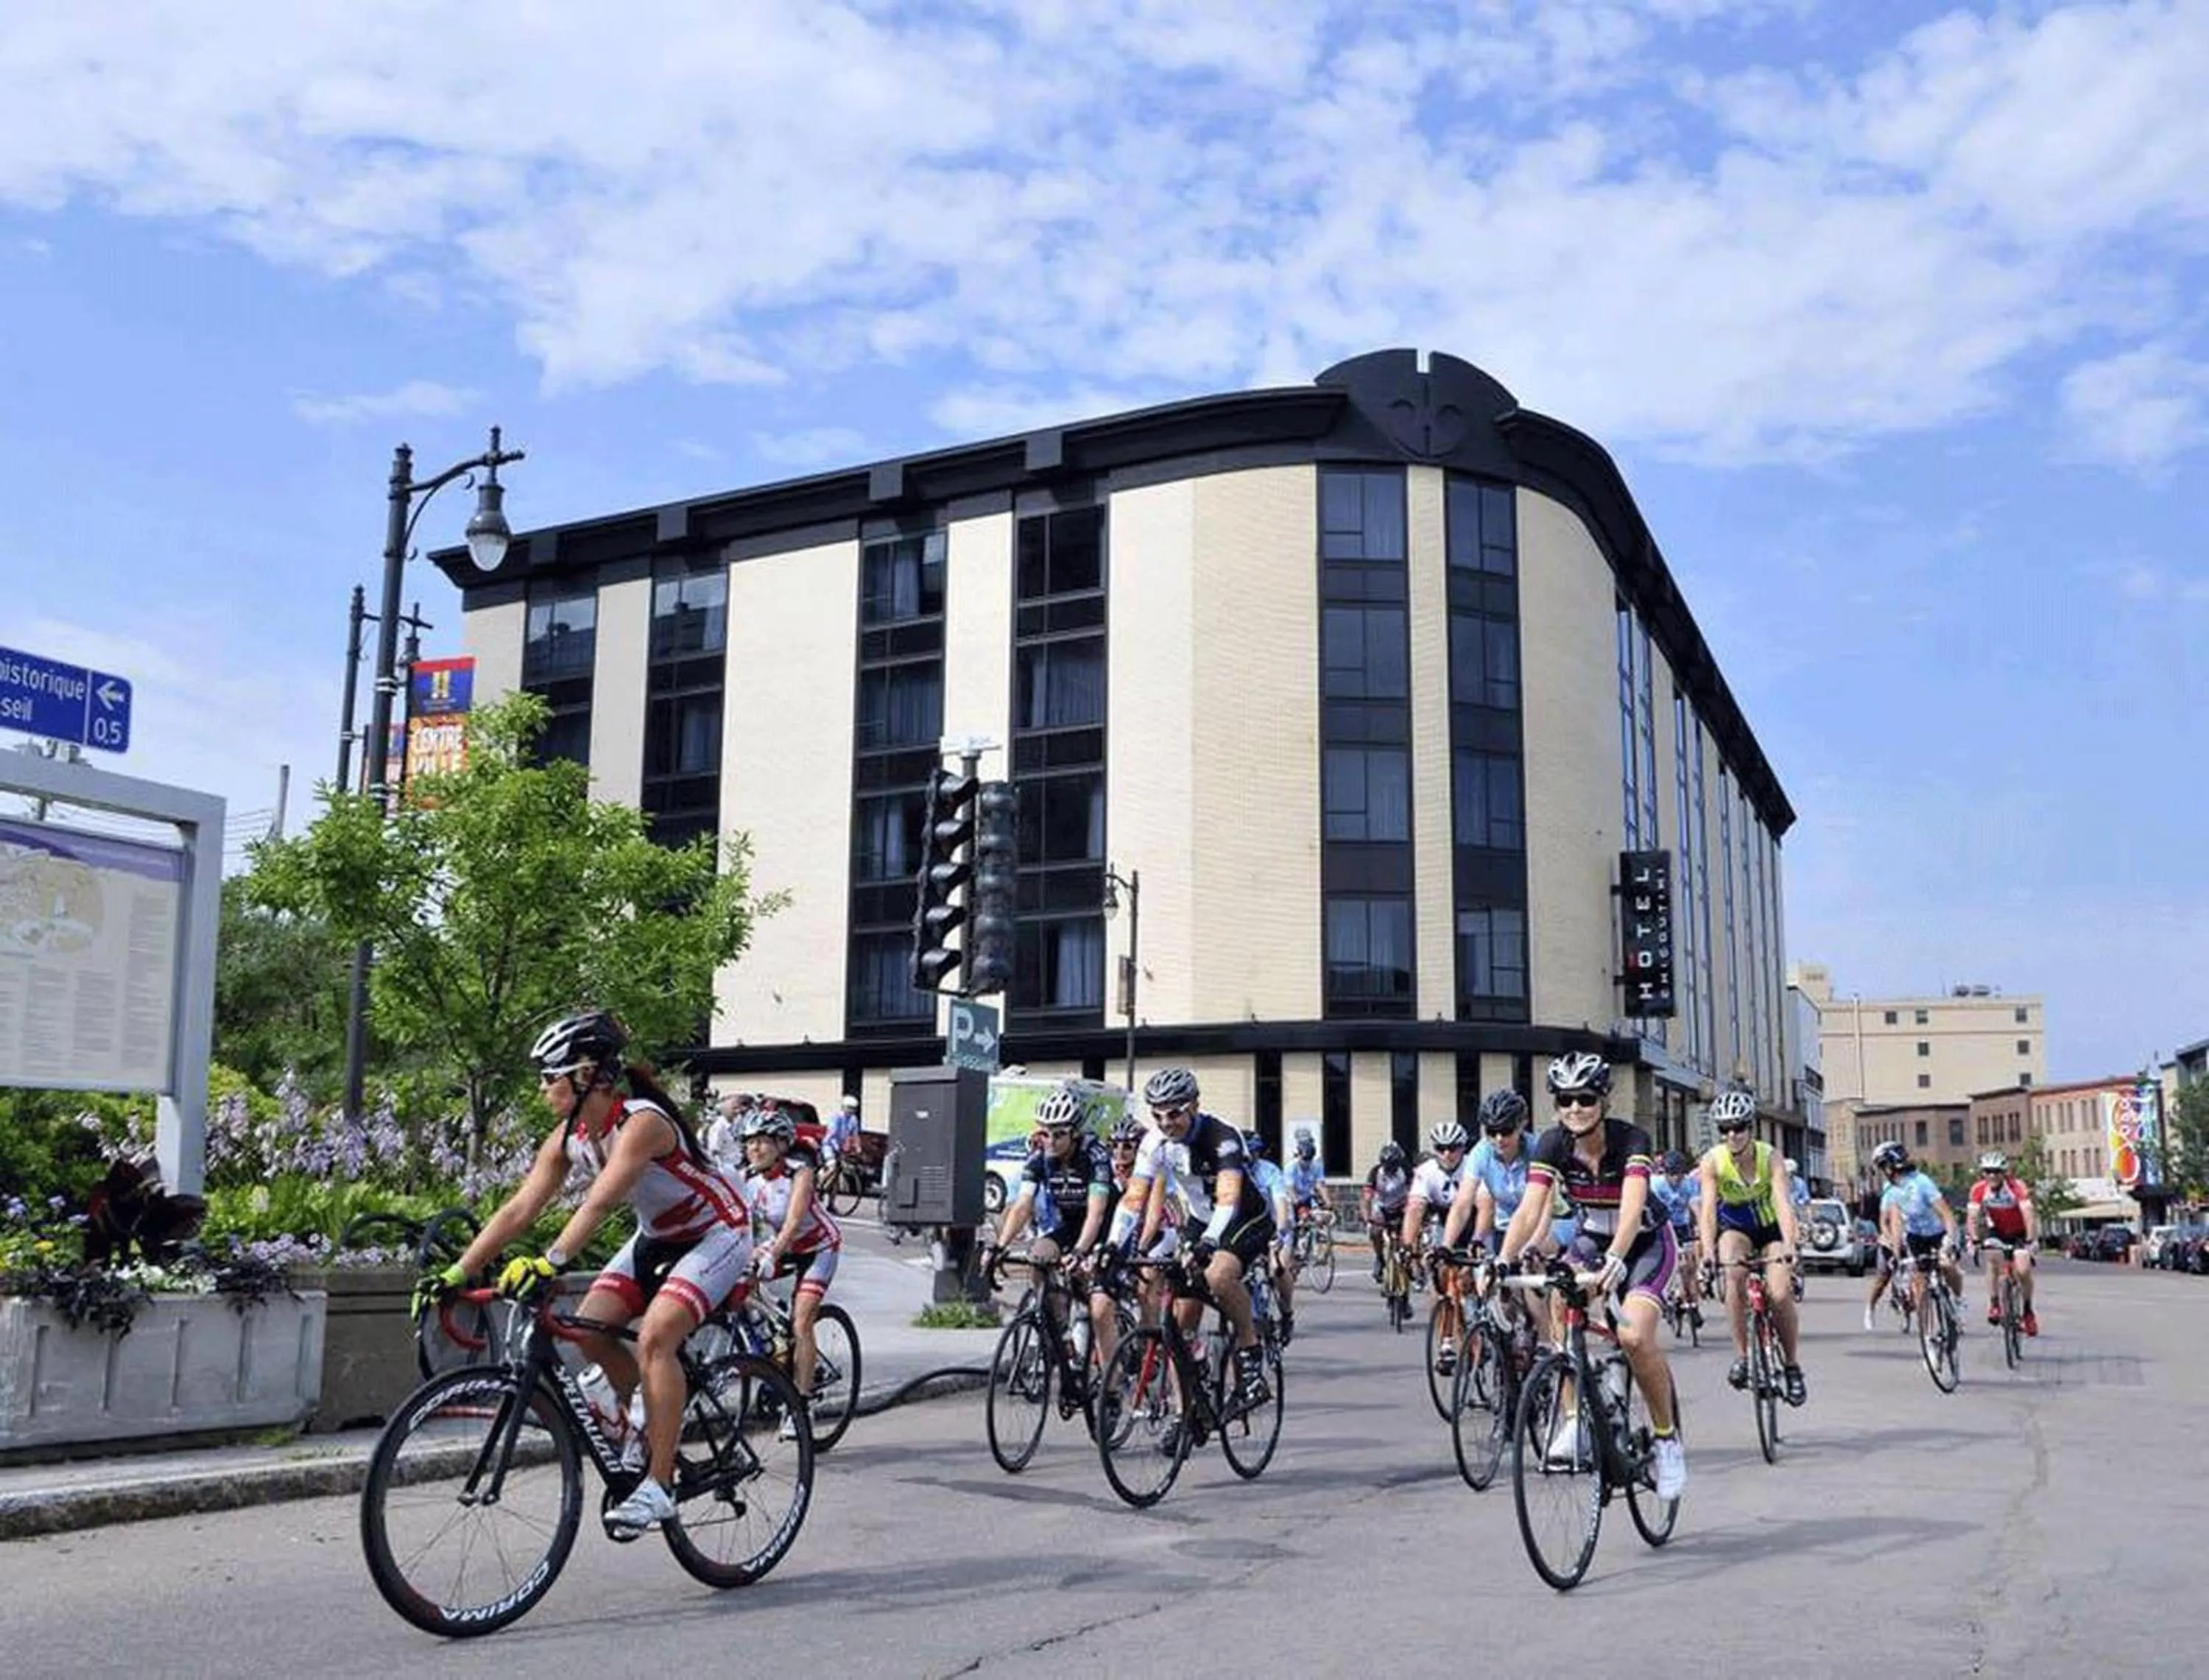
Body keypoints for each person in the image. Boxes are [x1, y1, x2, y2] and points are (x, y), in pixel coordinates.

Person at [415, 1011, 751, 1537]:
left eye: (551, 1075)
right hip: (659, 1235)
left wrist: (549, 1262)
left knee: (657, 1337)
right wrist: (458, 1271)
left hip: (718, 1230)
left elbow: (598, 1204)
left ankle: (659, 1487)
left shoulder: (640, 1123)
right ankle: (643, 1414)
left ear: (587, 1074)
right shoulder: (570, 1136)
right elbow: (518, 1208)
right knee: (585, 1327)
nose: (543, 1088)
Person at [1498, 1053, 1686, 1501]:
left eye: (1585, 1098)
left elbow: (1633, 1205)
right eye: (1565, 1100)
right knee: (1562, 1309)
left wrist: (1618, 1257)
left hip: (1643, 1242)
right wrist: (1501, 1261)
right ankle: (1573, 1422)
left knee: (1636, 1338)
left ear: (1603, 1099)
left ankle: (1667, 1441)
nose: (1575, 1108)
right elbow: (1528, 1210)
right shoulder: (1552, 1145)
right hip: (1589, 1238)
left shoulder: (1631, 1139)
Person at [1107, 1067, 1272, 1413]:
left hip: (1244, 1216)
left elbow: (1228, 1198)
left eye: (1174, 1113)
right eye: (1157, 1115)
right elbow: (1134, 1198)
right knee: (1179, 1320)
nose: (1166, 1123)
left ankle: (1250, 1353)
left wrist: (1210, 1244)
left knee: (1217, 1275)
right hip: (1200, 1220)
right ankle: (1186, 1412)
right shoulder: (1155, 1143)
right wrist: (1113, 1244)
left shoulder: (1222, 1137)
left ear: (1194, 1106)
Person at [731, 1104, 845, 1439]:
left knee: (802, 1320)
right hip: (785, 1247)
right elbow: (738, 1223)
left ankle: (802, 1408)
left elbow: (794, 1222)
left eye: (764, 1141)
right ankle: (777, 1339)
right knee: (740, 1286)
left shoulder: (800, 1172)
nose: (755, 1148)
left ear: (782, 1144)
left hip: (819, 1248)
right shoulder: (747, 1178)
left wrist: (771, 1253)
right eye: (750, 1141)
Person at [984, 1085, 1113, 1376]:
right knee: (1038, 1255)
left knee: (1091, 1293)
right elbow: (1022, 1205)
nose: (1051, 1141)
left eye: (1059, 1134)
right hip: (1068, 1226)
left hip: (1103, 1228)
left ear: (1075, 1133)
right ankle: (1062, 1334)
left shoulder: (1094, 1156)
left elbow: (1097, 1212)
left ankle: (1111, 1374)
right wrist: (998, 1246)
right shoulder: (1040, 1158)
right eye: (1045, 1133)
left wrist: (1081, 1252)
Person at [1695, 1090, 1806, 1407]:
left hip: (1770, 1228)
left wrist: (1790, 1245)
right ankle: (1743, 1357)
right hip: (1736, 1229)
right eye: (1725, 1129)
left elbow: (1784, 1204)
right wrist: (1707, 1253)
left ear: (1750, 1128)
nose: (1732, 1135)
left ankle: (1792, 1366)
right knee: (1733, 1274)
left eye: (1739, 1127)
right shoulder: (1712, 1161)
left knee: (1781, 1293)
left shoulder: (1769, 1156)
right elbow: (1707, 1211)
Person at [1404, 1120, 1471, 1372]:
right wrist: (1408, 1247)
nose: (1447, 1154)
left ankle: (1485, 1321)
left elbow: (1485, 1208)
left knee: (1471, 1279)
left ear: (1462, 1148)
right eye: (1441, 1148)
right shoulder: (1426, 1171)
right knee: (1439, 1283)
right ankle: (1446, 1344)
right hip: (1446, 1223)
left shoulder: (1471, 1166)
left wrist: (1477, 1242)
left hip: (1474, 1222)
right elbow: (1414, 1209)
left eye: (1453, 1148)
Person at [1874, 1140, 1962, 1326]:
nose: (1883, 1172)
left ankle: (1957, 1299)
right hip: (1916, 1237)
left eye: (1883, 1167)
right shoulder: (1891, 1191)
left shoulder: (1922, 1182)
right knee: (1919, 1284)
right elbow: (1896, 1223)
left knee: (1946, 1265)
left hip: (1938, 1233)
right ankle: (1928, 1334)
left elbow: (1946, 1214)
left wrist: (1949, 1240)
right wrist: (1896, 1253)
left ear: (1890, 1167)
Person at [1966, 1151, 2040, 1335]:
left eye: (1997, 1172)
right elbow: (1972, 1217)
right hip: (1997, 1230)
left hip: (2019, 1232)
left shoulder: (2016, 1187)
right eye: (1988, 1172)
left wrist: (2030, 1241)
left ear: (2004, 1173)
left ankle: (2028, 1312)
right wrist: (1974, 1240)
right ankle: (1995, 1304)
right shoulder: (1979, 1189)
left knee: (2023, 1270)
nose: (1992, 1176)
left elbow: (2029, 1215)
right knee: (1992, 1258)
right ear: (1983, 1173)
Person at [1243, 1130, 1300, 1345]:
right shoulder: (1233, 1172)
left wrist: (1280, 1232)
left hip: (1275, 1226)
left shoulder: (1270, 1172)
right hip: (1248, 1229)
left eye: (1252, 1154)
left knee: (1278, 1269)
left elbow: (1281, 1206)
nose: (1248, 1159)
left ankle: (1286, 1312)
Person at [1648, 1150, 1705, 1326]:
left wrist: (1703, 1228)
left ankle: (1693, 1305)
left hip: (1682, 1226)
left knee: (1689, 1266)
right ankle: (1666, 1294)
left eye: (1680, 1174)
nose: (1676, 1178)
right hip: (1662, 1226)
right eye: (1672, 1174)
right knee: (1667, 1263)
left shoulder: (1690, 1184)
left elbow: (1696, 1206)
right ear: (1665, 1172)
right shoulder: (1656, 1185)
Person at [1361, 1140, 1413, 1282]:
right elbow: (1366, 1198)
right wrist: (1368, 1219)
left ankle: (1409, 1261)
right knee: (1376, 1232)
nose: (1390, 1169)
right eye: (1387, 1166)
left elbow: (1415, 1192)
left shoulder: (1406, 1171)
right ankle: (1379, 1257)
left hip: (1401, 1206)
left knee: (1410, 1233)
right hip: (1382, 1207)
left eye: (1393, 1166)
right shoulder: (1375, 1172)